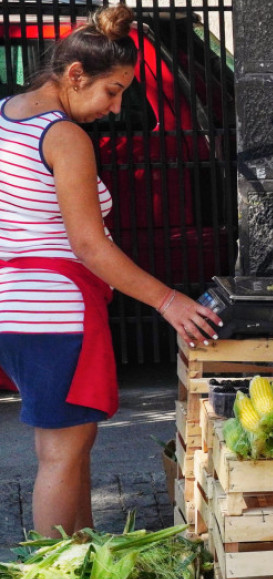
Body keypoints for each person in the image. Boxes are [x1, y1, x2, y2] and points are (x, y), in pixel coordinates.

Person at [0, 4, 221, 537]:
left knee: (69, 450)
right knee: (60, 455)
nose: (117, 107)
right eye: (112, 91)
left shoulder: (7, 113)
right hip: (58, 313)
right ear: (74, 76)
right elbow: (89, 246)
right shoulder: (64, 138)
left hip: (14, 308)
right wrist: (168, 301)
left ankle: (81, 558)